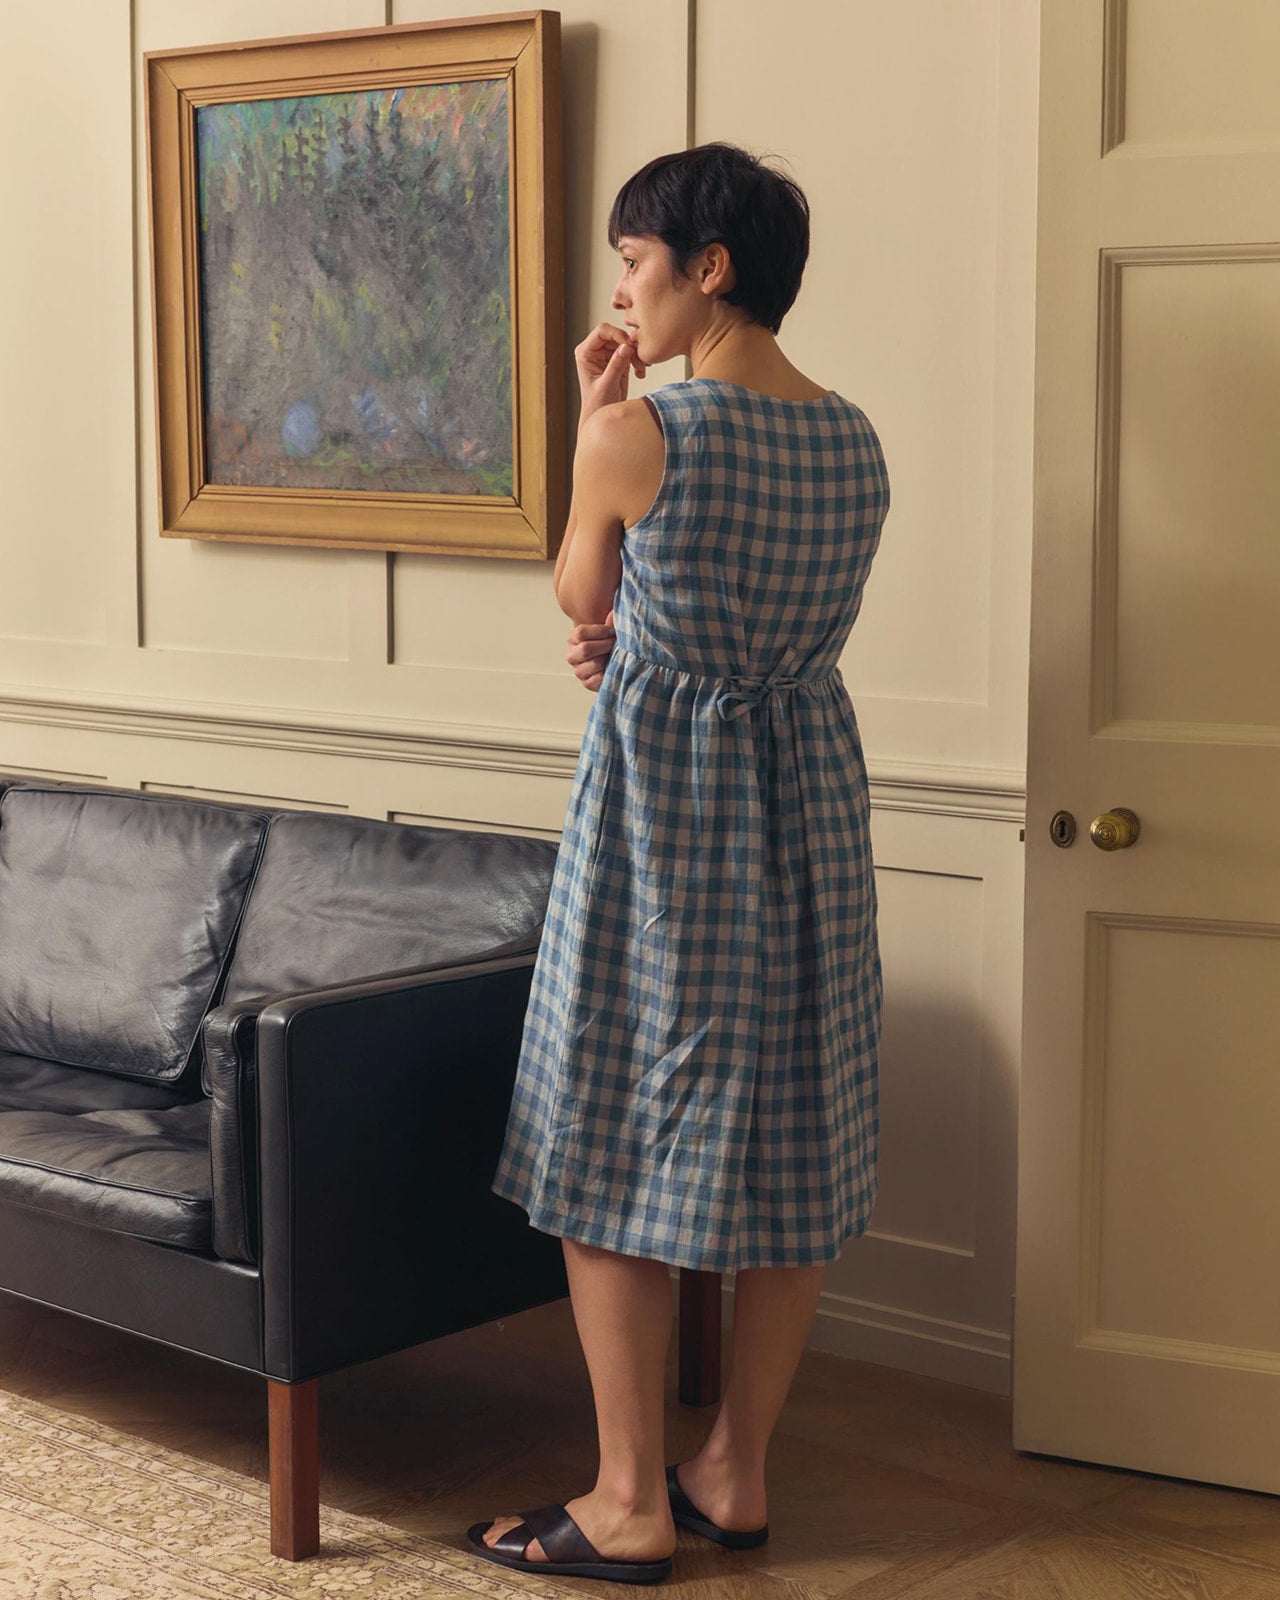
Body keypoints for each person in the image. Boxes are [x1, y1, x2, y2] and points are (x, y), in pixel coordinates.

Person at [467, 141, 890, 1585]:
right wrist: (637, 630)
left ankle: (631, 1494)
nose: (622, 294)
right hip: (808, 805)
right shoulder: (855, 438)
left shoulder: (646, 429)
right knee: (790, 1139)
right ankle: (737, 1472)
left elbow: (587, 590)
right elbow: (721, 614)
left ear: (709, 268)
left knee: (608, 1138)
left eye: (636, 263)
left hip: (667, 814)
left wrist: (600, 424)